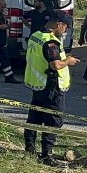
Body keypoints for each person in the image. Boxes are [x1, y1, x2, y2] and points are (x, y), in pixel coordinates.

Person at [23, 14, 79, 165]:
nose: (65, 31)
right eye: (65, 27)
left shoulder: (36, 35)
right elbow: (55, 65)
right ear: (59, 24)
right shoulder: (51, 42)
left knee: (34, 118)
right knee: (52, 121)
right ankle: (47, 155)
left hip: (38, 84)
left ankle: (30, 149)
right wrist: (68, 60)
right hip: (51, 86)